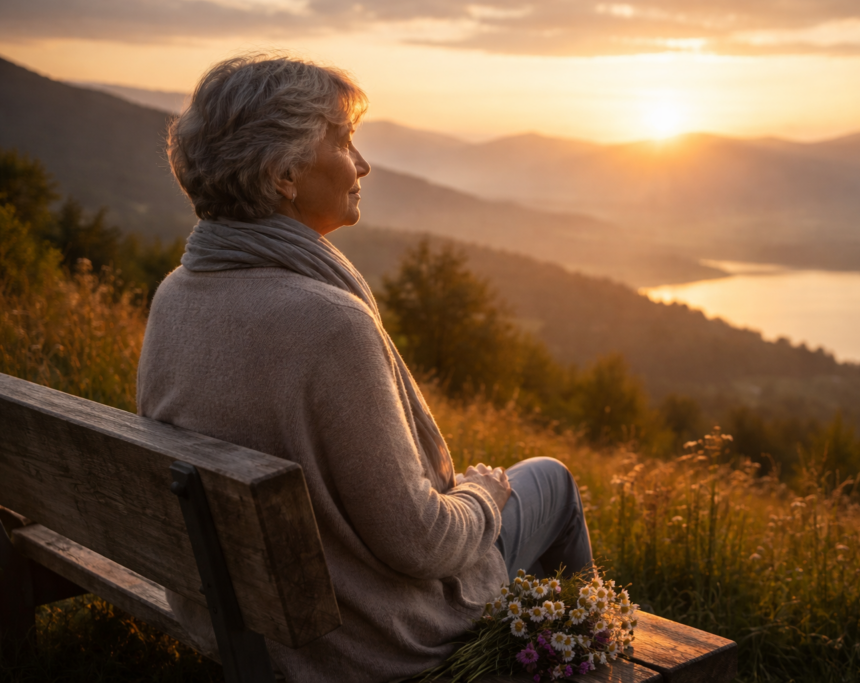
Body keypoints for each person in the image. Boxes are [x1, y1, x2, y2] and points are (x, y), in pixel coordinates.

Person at [136, 53, 593, 683]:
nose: (362, 163)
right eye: (344, 141)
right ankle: (583, 650)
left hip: (235, 619)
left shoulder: (176, 295)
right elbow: (423, 543)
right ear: (285, 174)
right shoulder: (329, 323)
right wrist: (485, 494)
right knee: (551, 482)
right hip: (359, 645)